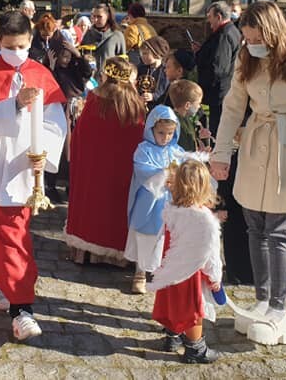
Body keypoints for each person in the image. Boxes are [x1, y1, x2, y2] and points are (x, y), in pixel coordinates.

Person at [210, 0, 286, 346]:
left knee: (279, 232)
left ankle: (279, 307)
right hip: (255, 144)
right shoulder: (246, 57)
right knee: (254, 227)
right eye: (246, 38)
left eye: (255, 37)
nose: (250, 43)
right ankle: (262, 299)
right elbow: (233, 106)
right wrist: (221, 154)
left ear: (273, 30)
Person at [0, 11, 67, 340]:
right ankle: (22, 309)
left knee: (5, 228)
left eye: (22, 46)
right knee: (13, 233)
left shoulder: (40, 73)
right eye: (9, 46)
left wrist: (45, 154)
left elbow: (55, 121)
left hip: (27, 165)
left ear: (31, 41)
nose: (16, 53)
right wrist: (14, 105)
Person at [168, 80, 252, 284]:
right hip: (189, 173)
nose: (199, 107)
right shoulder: (180, 123)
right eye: (198, 103)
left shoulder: (188, 120)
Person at [66, 58, 144, 265]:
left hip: (93, 168)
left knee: (92, 204)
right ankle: (116, 255)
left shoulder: (94, 101)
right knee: (116, 206)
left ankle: (86, 251)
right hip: (121, 171)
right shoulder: (134, 106)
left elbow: (81, 136)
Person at [147, 159, 223, 364]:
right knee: (193, 312)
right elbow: (210, 253)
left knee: (173, 304)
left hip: (170, 270)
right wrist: (215, 277)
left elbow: (163, 240)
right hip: (191, 275)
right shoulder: (205, 219)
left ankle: (172, 338)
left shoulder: (171, 210)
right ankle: (196, 349)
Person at [125, 105, 189, 294]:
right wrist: (164, 175)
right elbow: (142, 171)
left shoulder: (177, 151)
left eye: (170, 133)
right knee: (146, 237)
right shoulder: (144, 150)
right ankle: (140, 273)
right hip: (149, 204)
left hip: (170, 202)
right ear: (151, 129)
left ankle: (161, 272)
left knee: (166, 238)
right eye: (161, 133)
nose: (166, 137)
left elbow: (186, 171)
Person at [47, 40, 93, 203]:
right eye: (62, 57)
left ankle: (71, 185)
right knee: (62, 148)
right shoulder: (54, 70)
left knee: (76, 148)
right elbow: (51, 86)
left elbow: (87, 72)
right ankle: (51, 185)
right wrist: (52, 66)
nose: (65, 60)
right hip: (60, 111)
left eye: (68, 56)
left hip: (77, 111)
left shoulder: (75, 70)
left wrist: (78, 55)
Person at [194, 1, 242, 136]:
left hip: (217, 92)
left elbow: (219, 66)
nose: (208, 20)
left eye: (210, 16)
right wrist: (201, 51)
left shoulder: (224, 34)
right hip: (221, 89)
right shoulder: (230, 31)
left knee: (216, 130)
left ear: (219, 17)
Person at [81, 3, 126, 73]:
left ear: (108, 16)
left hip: (108, 79)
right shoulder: (88, 34)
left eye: (99, 17)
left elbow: (123, 63)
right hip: (89, 79)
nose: (96, 20)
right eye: (94, 16)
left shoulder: (117, 36)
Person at [137, 36, 170, 110]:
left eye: (145, 53)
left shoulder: (165, 71)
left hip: (158, 108)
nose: (142, 56)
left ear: (157, 53)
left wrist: (153, 96)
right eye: (142, 54)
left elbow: (164, 91)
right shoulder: (141, 68)